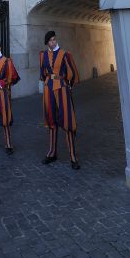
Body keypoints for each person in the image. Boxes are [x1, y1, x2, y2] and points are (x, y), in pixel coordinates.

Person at [40, 30, 80, 169]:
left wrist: (68, 84)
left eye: (54, 39)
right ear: (47, 42)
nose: (53, 42)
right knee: (51, 121)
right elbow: (42, 73)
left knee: (67, 121)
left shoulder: (65, 54)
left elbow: (72, 73)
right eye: (50, 40)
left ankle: (73, 157)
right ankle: (52, 153)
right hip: (48, 89)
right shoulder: (43, 55)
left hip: (62, 88)